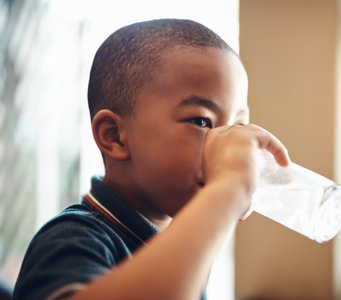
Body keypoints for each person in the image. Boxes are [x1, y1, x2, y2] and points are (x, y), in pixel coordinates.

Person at [12, 19, 290, 300]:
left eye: (237, 128)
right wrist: (226, 190)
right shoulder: (74, 238)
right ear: (115, 136)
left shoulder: (178, 241)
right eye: (202, 121)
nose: (224, 146)